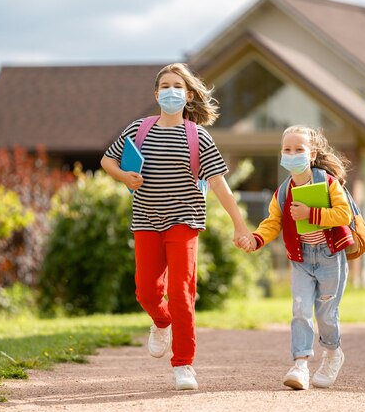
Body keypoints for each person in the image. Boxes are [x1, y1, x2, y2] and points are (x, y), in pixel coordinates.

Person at [101, 63, 252, 391]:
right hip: (146, 221)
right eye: (166, 86)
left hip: (185, 221)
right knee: (145, 291)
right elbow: (107, 160)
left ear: (187, 95)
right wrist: (125, 177)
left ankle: (183, 363)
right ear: (157, 94)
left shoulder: (198, 136)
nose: (171, 91)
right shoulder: (139, 129)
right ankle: (161, 321)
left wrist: (239, 225)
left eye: (178, 86)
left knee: (182, 293)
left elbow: (220, 185)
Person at [238, 125, 353, 390]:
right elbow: (272, 223)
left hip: (330, 257)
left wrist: (310, 214)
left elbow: (343, 215)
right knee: (300, 310)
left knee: (326, 315)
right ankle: (300, 364)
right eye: (287, 150)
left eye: (298, 149)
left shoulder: (328, 183)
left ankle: (333, 353)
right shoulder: (282, 192)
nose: (292, 154)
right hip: (301, 261)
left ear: (312, 155)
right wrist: (256, 239)